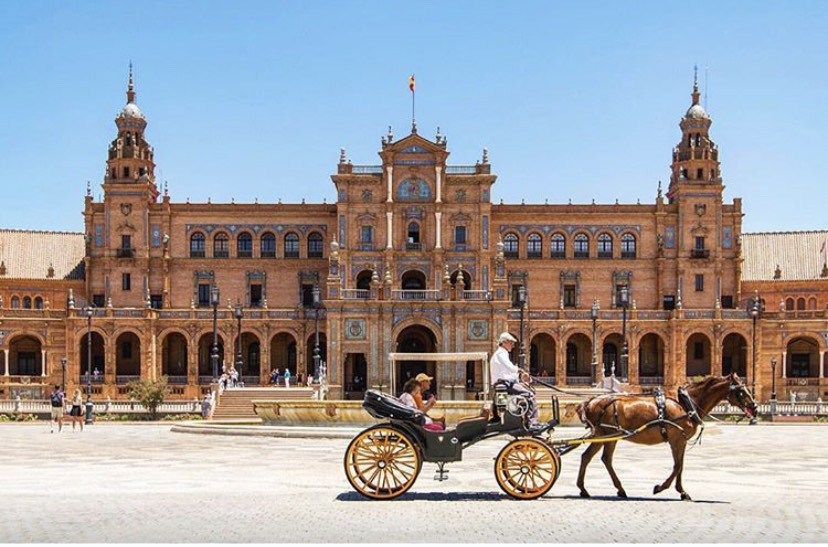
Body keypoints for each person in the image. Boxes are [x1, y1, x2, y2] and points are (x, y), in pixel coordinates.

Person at [490, 332, 541, 430]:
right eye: (511, 343)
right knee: (529, 395)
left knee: (527, 391)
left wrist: (521, 376)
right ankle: (532, 423)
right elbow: (510, 368)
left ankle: (525, 419)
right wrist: (520, 371)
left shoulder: (501, 354)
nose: (513, 346)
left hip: (505, 383)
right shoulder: (501, 353)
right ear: (504, 342)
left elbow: (508, 372)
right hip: (504, 384)